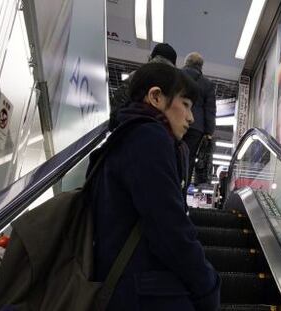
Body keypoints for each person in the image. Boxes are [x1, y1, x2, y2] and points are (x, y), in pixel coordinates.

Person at [88, 62, 221, 311]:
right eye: (186, 104)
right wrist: (208, 285)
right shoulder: (149, 137)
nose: (191, 118)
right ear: (156, 96)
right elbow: (169, 227)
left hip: (123, 286)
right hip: (141, 292)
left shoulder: (122, 138)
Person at [110, 43, 177, 131]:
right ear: (174, 66)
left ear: (150, 58)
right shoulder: (175, 87)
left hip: (127, 133)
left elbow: (116, 113)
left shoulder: (135, 78)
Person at [182, 52, 216, 186]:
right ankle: (182, 196)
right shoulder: (207, 84)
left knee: (170, 155)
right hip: (196, 128)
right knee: (188, 160)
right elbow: (210, 110)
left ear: (186, 63)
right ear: (201, 67)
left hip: (174, 121)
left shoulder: (175, 76)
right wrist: (209, 132)